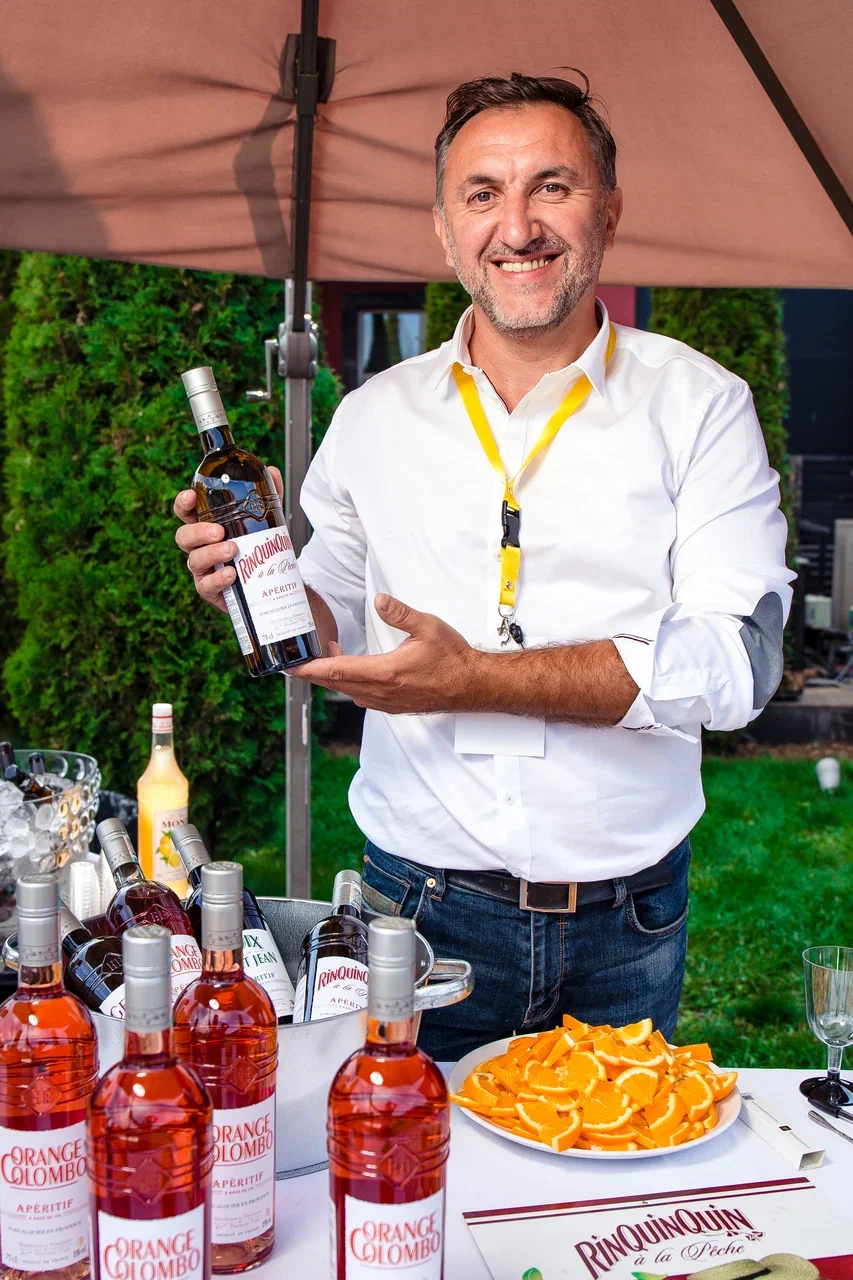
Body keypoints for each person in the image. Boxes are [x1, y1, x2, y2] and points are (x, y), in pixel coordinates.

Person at [175, 72, 793, 1060]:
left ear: (609, 210)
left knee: (605, 1200)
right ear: (440, 225)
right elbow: (326, 620)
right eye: (481, 193)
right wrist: (260, 588)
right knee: (405, 1181)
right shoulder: (374, 416)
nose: (517, 226)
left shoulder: (701, 405)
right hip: (414, 910)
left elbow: (735, 666)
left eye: (553, 186)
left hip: (626, 919)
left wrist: (475, 679)